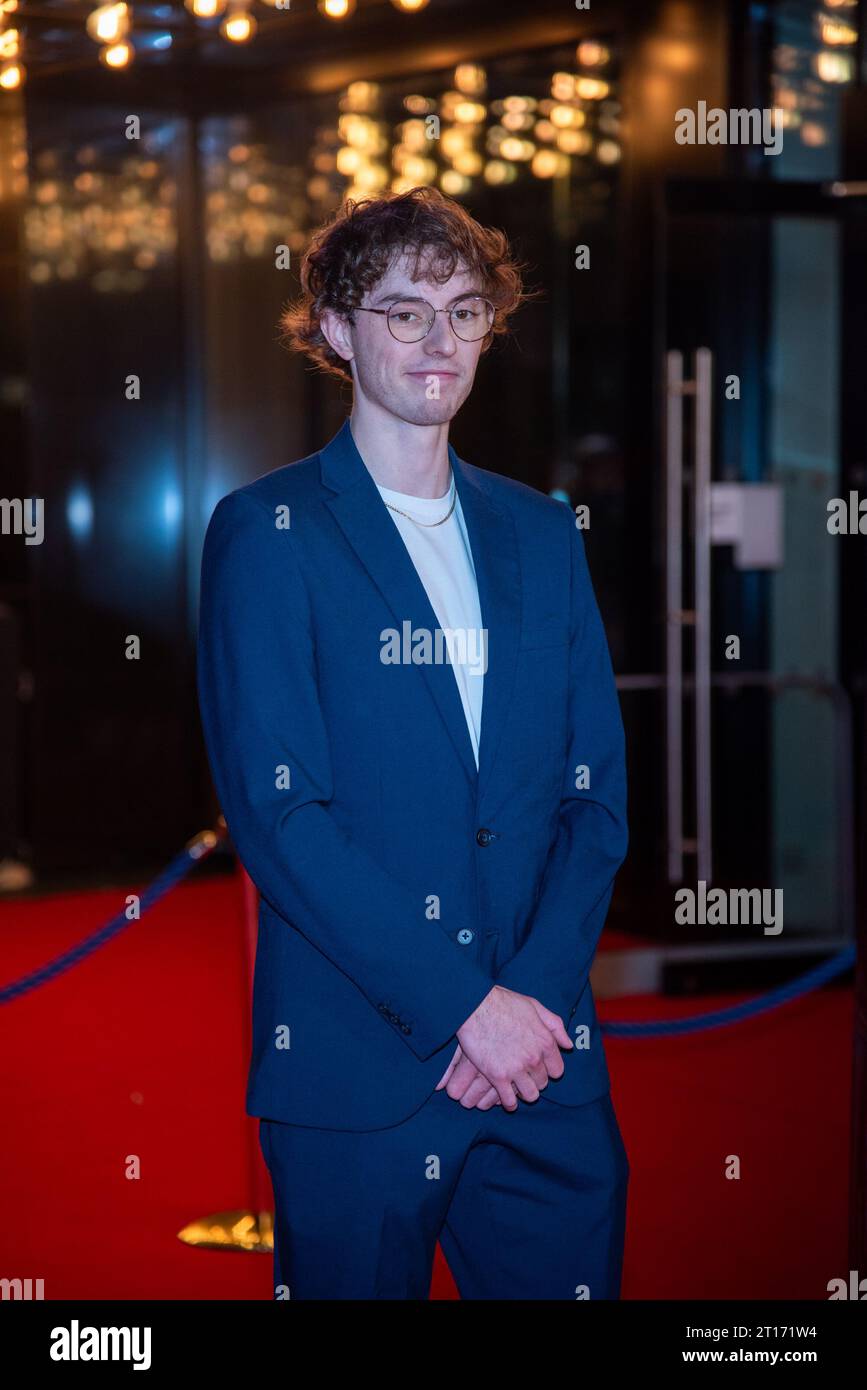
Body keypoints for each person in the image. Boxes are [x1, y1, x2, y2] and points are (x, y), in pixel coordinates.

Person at [196, 186, 630, 1300]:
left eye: (464, 310)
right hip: (357, 1076)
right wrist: (463, 1010)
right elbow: (282, 818)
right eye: (403, 312)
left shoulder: (542, 528)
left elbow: (594, 801)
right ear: (337, 331)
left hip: (544, 1070)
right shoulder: (268, 531)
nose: (440, 340)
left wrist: (526, 1004)